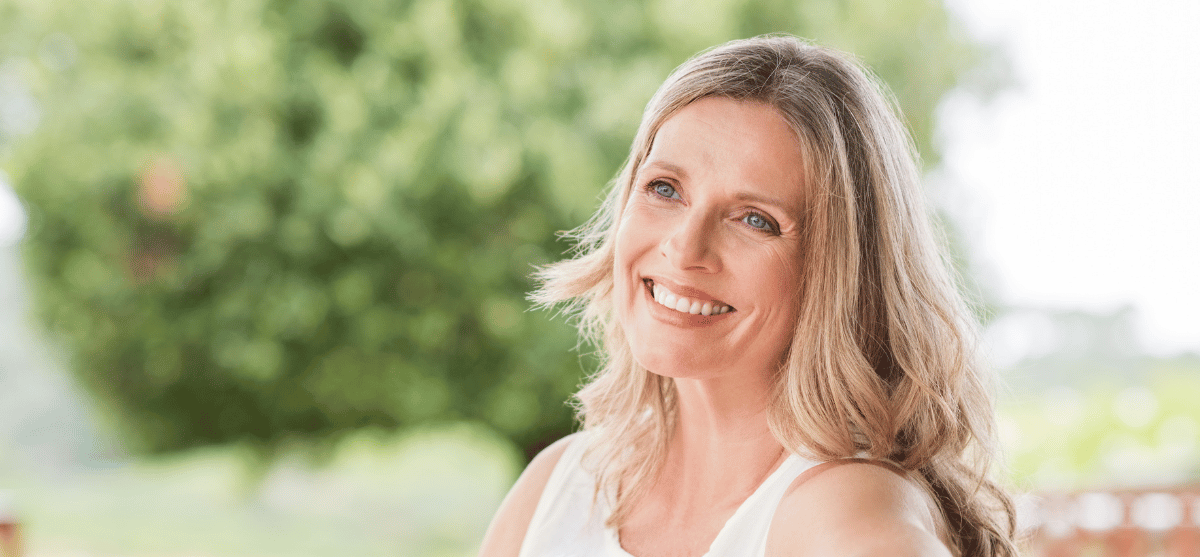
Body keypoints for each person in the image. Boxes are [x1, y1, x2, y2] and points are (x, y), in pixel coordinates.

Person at [479, 35, 1018, 557]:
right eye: (665, 188)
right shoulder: (560, 484)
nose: (685, 248)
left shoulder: (846, 512)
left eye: (756, 220)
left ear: (838, 272)